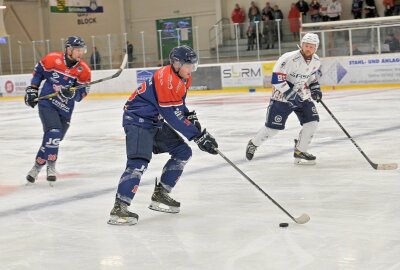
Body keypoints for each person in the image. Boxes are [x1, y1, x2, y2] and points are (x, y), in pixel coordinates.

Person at [107, 45, 218, 226]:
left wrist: (189, 117)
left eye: (193, 66)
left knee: (183, 152)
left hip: (154, 121)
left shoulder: (183, 78)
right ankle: (119, 208)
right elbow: (171, 116)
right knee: (138, 164)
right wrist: (197, 135)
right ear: (175, 63)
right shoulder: (165, 78)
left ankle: (161, 195)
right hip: (137, 121)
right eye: (188, 65)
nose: (191, 70)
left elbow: (178, 106)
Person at [245, 33, 322, 165]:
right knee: (273, 129)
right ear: (302, 45)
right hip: (282, 96)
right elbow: (276, 79)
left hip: (302, 95)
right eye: (306, 45)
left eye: (311, 47)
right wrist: (290, 94)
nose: (308, 48)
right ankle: (254, 143)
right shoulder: (289, 58)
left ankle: (300, 150)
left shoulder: (316, 61)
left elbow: (310, 76)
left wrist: (315, 88)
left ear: (316, 48)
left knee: (312, 121)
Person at [24, 36, 91, 184]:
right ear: (68, 49)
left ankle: (35, 168)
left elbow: (83, 93)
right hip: (47, 103)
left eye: (82, 50)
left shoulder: (83, 70)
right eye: (77, 50)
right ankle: (51, 166)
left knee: (52, 140)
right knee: (53, 132)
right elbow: (39, 72)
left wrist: (73, 93)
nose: (80, 53)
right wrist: (33, 90)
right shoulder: (52, 59)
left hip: (65, 110)